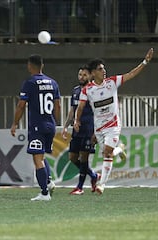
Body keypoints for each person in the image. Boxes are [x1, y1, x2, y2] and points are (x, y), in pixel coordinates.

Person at [73, 48, 154, 195]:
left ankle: (101, 185)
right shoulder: (87, 90)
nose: (103, 71)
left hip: (113, 125)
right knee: (107, 153)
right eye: (100, 69)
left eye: (104, 68)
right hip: (99, 128)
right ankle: (120, 149)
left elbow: (131, 74)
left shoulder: (112, 82)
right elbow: (80, 106)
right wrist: (77, 120)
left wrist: (145, 62)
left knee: (107, 153)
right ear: (92, 73)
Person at [11, 54, 60, 201]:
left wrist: (15, 123)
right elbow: (57, 105)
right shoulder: (53, 83)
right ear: (42, 66)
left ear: (30, 66)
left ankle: (44, 193)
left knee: (37, 159)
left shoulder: (30, 83)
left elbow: (21, 105)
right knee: (42, 155)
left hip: (37, 126)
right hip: (50, 125)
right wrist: (55, 122)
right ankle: (49, 181)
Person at [61, 65, 100, 195]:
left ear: (90, 76)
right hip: (77, 130)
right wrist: (66, 126)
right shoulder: (76, 90)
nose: (81, 77)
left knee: (84, 158)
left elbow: (98, 112)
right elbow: (72, 110)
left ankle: (80, 187)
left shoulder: (94, 91)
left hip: (89, 129)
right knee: (72, 158)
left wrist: (96, 130)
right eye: (80, 75)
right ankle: (93, 175)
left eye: (84, 75)